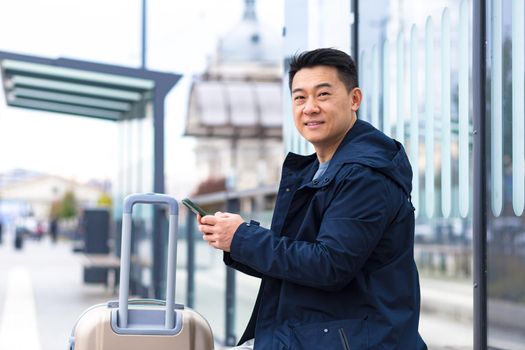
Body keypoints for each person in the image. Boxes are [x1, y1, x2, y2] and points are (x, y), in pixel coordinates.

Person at [197, 48, 427, 349]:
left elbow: (329, 264)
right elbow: (296, 258)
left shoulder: (365, 175)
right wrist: (233, 239)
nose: (310, 108)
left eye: (323, 95)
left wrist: (243, 238)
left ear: (354, 99)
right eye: (299, 97)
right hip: (319, 335)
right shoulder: (316, 171)